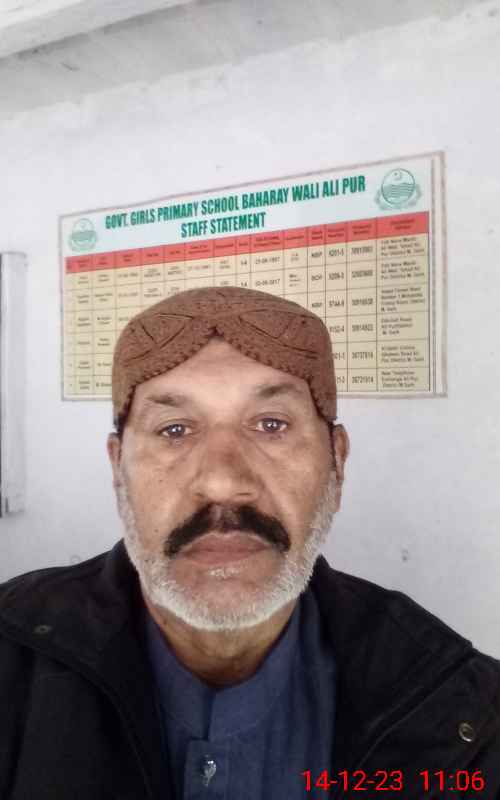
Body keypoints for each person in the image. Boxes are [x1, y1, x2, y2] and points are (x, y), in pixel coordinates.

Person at [0, 286, 498, 800]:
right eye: (174, 430)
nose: (222, 482)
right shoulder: (12, 657)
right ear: (117, 468)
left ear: (337, 462)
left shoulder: (462, 709)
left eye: (271, 425)